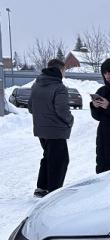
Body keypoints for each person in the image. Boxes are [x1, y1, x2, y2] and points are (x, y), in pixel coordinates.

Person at [29, 58, 74, 196]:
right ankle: (54, 191)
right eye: (64, 70)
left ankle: (41, 187)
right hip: (56, 130)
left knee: (48, 156)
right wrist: (70, 120)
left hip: (41, 129)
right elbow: (62, 110)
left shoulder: (36, 85)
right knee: (60, 160)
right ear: (60, 70)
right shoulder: (59, 87)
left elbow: (30, 107)